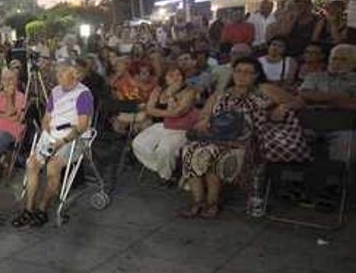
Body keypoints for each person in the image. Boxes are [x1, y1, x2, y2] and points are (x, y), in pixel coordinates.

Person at [180, 57, 308, 219]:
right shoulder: (222, 93)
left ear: (256, 75)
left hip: (250, 142)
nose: (242, 76)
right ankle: (197, 201)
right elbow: (204, 113)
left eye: (248, 73)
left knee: (213, 154)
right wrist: (205, 119)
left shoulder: (265, 89)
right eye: (238, 71)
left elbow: (299, 102)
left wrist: (283, 107)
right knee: (190, 150)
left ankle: (213, 203)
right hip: (219, 137)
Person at [17, 62, 93, 228]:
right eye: (57, 74)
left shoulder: (83, 94)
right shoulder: (55, 91)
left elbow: (82, 126)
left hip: (72, 139)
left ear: (74, 76)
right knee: (32, 164)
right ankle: (28, 209)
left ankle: (42, 209)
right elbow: (46, 118)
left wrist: (62, 141)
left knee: (53, 167)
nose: (56, 78)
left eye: (61, 74)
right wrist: (46, 133)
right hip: (52, 136)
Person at [132, 67, 198, 182]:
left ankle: (166, 175)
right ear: (165, 78)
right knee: (138, 144)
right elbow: (149, 109)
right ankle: (163, 169)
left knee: (165, 149)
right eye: (171, 75)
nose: (176, 78)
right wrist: (168, 113)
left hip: (181, 128)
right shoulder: (158, 89)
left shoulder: (189, 91)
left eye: (179, 75)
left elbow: (179, 112)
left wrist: (170, 98)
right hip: (162, 125)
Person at [299, 43, 356, 162]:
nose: (337, 62)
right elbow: (305, 94)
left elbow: (353, 104)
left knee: (348, 143)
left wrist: (319, 98)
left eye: (343, 59)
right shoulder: (315, 76)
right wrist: (340, 97)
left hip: (342, 125)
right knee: (291, 137)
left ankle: (343, 178)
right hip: (312, 122)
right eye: (334, 58)